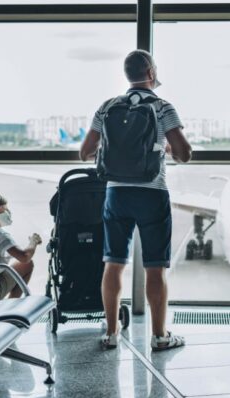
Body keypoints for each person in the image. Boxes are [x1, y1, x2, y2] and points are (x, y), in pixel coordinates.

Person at [80, 49, 192, 350]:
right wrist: (164, 149)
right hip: (152, 192)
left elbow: (85, 152)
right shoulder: (163, 106)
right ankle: (159, 335)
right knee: (156, 267)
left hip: (116, 193)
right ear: (152, 73)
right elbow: (184, 153)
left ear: (127, 75)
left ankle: (111, 333)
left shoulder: (107, 107)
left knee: (113, 264)